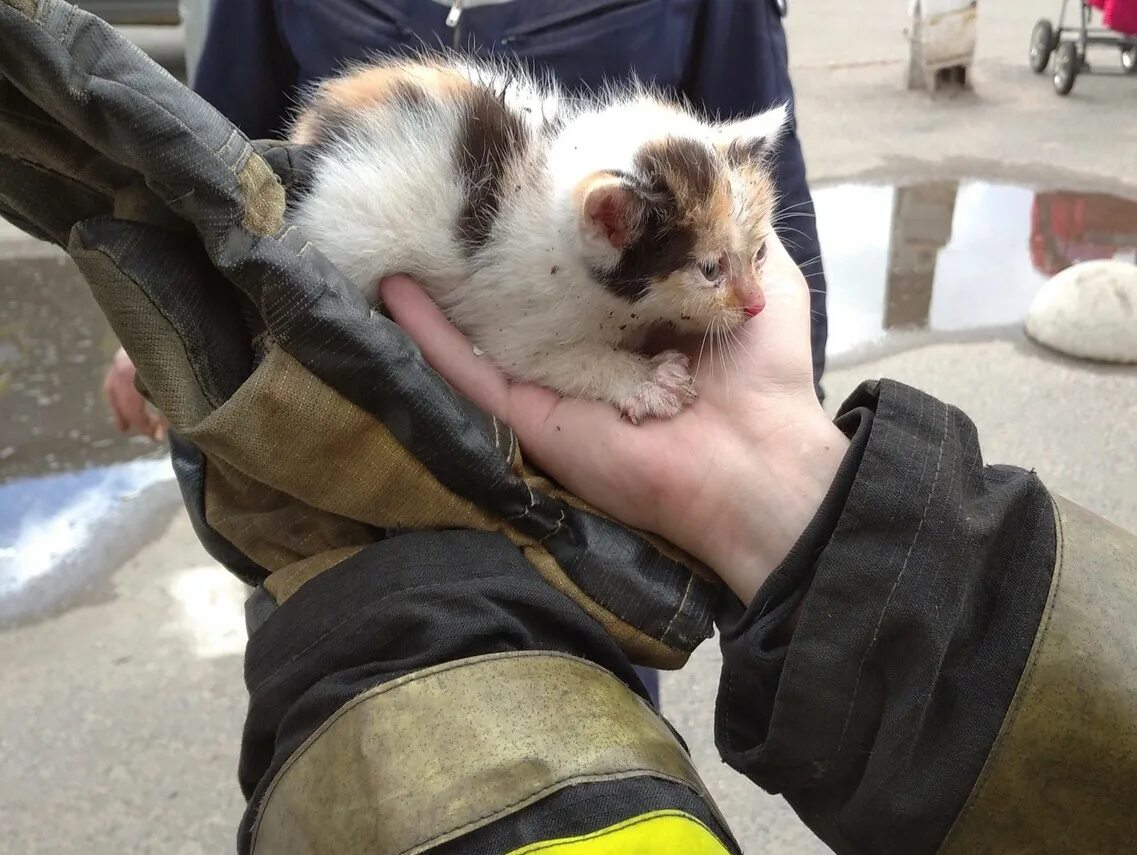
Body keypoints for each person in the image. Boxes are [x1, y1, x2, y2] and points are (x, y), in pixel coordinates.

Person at [239, 233, 1137, 854]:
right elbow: (247, 156)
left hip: (568, 454)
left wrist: (393, 644)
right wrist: (776, 482)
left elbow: (749, 159)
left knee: (614, 674)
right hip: (384, 372)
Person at [103, 0, 832, 706]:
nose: (752, 297)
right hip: (360, 442)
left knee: (590, 715)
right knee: (369, 705)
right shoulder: (570, 228)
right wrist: (172, 293)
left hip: (595, 522)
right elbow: (217, 145)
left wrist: (777, 456)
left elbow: (762, 179)